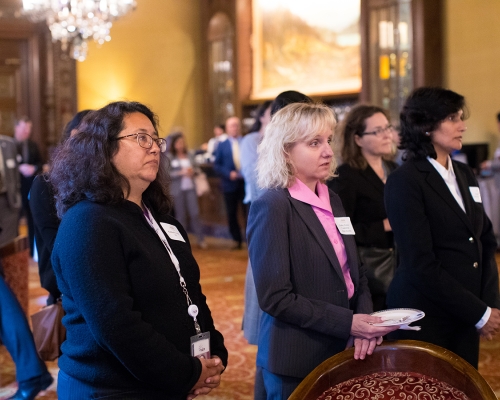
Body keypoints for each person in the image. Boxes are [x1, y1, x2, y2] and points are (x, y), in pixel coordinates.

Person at [49, 101, 227, 399]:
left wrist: (214, 355)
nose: (155, 148)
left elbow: (191, 293)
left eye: (156, 139)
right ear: (104, 148)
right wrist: (187, 374)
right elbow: (116, 325)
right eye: (141, 138)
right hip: (109, 388)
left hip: (163, 381)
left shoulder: (160, 219)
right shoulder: (87, 223)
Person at [247, 102, 399, 399]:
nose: (328, 151)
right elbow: (276, 298)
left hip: (344, 349)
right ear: (285, 150)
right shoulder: (274, 205)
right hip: (298, 357)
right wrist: (349, 323)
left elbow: (357, 271)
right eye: (314, 143)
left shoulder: (332, 197)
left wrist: (364, 322)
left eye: (328, 140)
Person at [385, 87, 500, 369]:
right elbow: (420, 264)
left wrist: (488, 305)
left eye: (461, 117)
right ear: (425, 126)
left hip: (464, 312)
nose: (462, 125)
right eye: (452, 118)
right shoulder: (405, 181)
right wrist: (479, 312)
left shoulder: (463, 172)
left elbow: (483, 240)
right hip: (427, 315)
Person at [328, 105, 397, 311]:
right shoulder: (345, 177)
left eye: (388, 128)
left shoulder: (394, 170)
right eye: (377, 131)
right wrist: (382, 226)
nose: (387, 135)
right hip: (370, 268)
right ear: (358, 139)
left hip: (401, 262)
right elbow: (339, 230)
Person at [29, 109, 93, 305]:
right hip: (65, 296)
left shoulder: (105, 185)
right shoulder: (46, 185)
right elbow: (60, 250)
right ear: (72, 138)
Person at [166, 131, 207, 249]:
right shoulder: (170, 157)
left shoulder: (190, 155)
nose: (181, 145)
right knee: (180, 216)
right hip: (177, 191)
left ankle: (200, 239)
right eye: (178, 143)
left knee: (195, 214)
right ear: (174, 144)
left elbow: (197, 169)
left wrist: (192, 171)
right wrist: (180, 172)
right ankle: (182, 242)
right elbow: (167, 175)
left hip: (191, 189)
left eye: (182, 142)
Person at [213, 116, 245, 249]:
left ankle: (251, 239)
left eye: (236, 125)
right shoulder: (222, 144)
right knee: (231, 213)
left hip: (245, 184)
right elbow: (216, 165)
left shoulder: (245, 142)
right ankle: (236, 240)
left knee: (248, 213)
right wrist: (228, 173)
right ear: (227, 128)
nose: (234, 128)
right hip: (229, 184)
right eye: (232, 126)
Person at [14, 116, 42, 257]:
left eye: (29, 128)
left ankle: (32, 251)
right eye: (24, 127)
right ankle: (16, 253)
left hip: (30, 188)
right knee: (13, 224)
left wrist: (33, 167)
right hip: (15, 191)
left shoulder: (33, 145)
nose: (27, 131)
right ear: (16, 128)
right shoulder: (9, 145)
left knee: (33, 221)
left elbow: (41, 163)